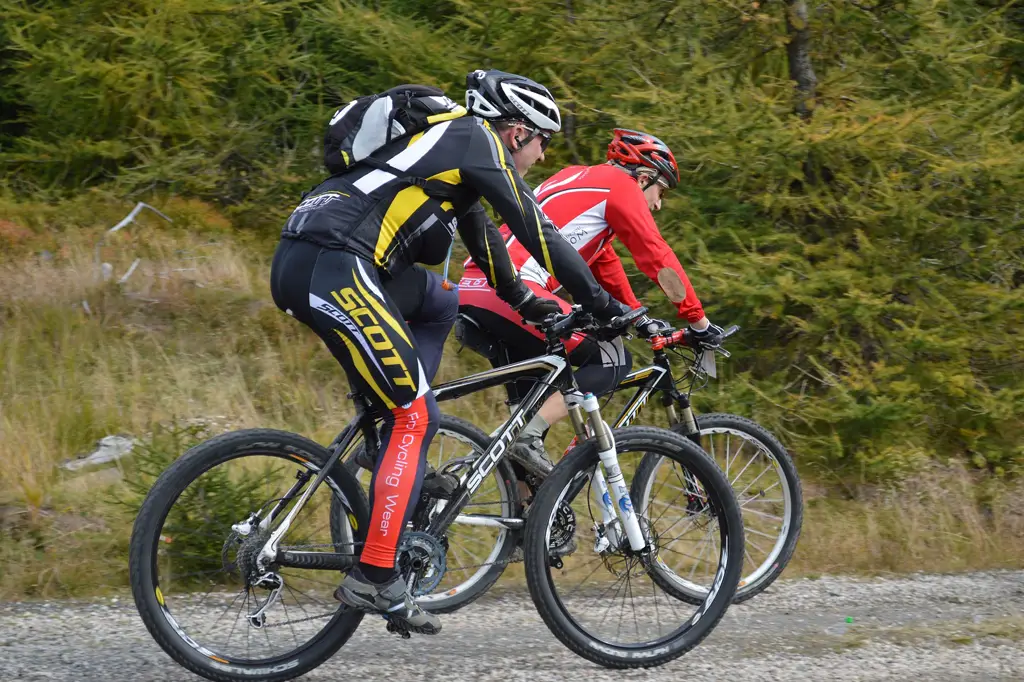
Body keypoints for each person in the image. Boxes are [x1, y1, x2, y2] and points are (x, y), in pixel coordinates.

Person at [268, 69, 631, 635]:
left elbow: (482, 235)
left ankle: (388, 441)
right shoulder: (473, 138)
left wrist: (523, 301)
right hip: (335, 263)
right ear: (517, 133)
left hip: (315, 257)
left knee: (441, 300)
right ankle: (375, 574)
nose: (540, 156)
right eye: (543, 143)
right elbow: (534, 227)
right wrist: (601, 303)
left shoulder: (450, 153)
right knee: (414, 415)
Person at [457, 127, 724, 488]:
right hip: (514, 290)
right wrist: (698, 320)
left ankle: (525, 523)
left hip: (474, 287)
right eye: (660, 191)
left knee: (532, 408)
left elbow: (604, 266)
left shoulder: (574, 177)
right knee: (612, 358)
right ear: (644, 177)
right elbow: (656, 257)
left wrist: (639, 319)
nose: (658, 204)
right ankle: (528, 437)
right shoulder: (620, 186)